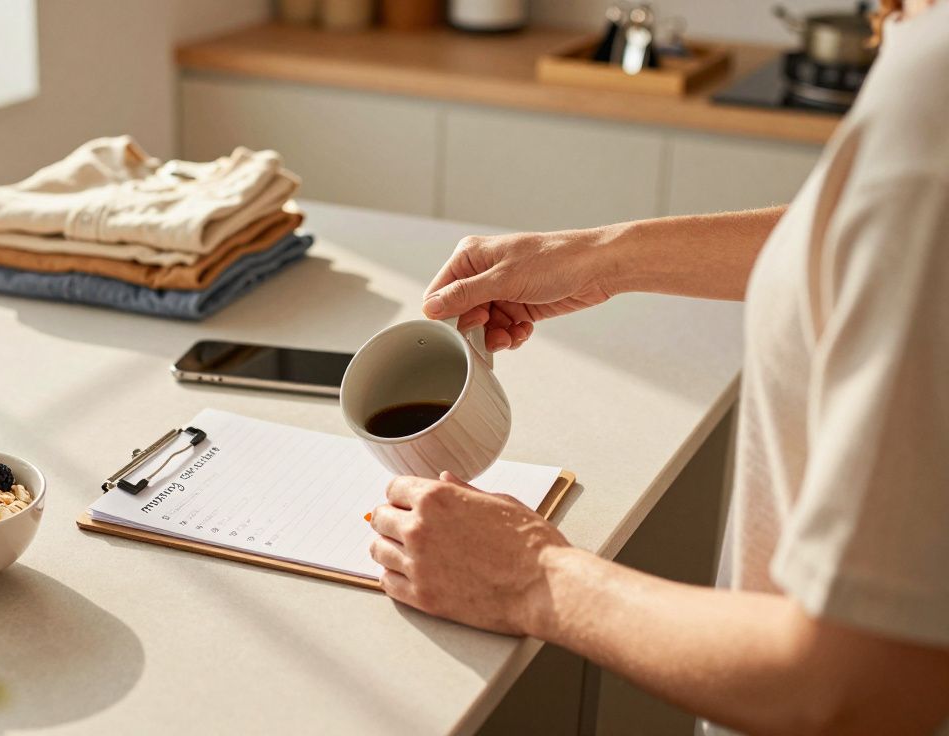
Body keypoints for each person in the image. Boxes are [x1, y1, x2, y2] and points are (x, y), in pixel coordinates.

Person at [367, 1, 949, 733]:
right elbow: (870, 240)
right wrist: (606, 256)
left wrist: (533, 578)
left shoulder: (936, 87)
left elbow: (856, 683)